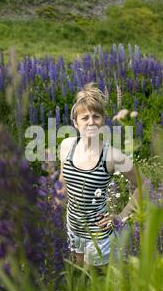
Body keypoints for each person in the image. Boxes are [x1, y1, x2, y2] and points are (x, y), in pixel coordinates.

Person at [58, 82, 148, 267]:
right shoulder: (67, 146)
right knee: (79, 275)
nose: (91, 122)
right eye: (85, 118)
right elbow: (63, 184)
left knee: (97, 282)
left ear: (103, 121)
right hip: (73, 229)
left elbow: (145, 184)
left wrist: (121, 217)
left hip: (99, 236)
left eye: (96, 116)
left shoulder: (112, 156)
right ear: (75, 123)